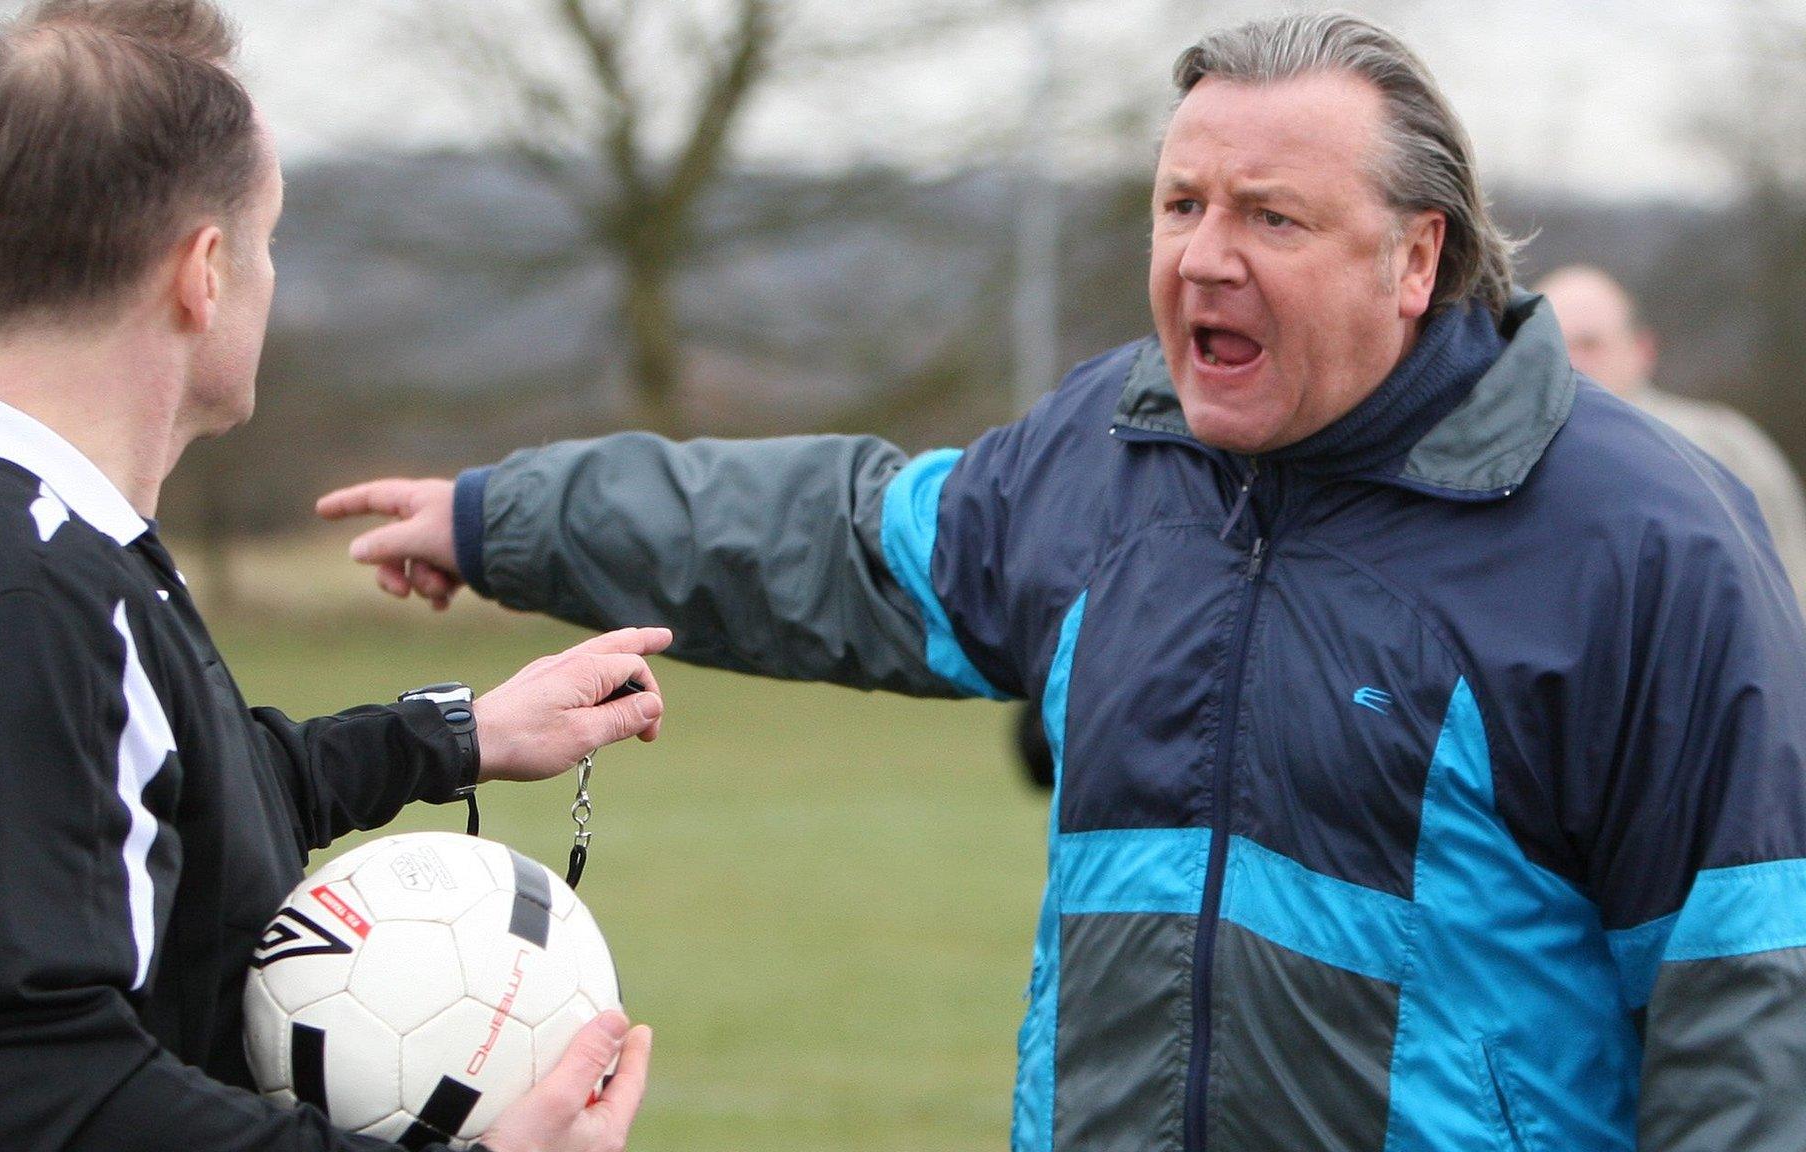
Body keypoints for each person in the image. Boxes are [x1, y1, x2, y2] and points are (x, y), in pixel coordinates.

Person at [321, 12, 1806, 1151]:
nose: (1204, 260)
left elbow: (1747, 996)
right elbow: (821, 535)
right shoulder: (1114, 457)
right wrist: (500, 517)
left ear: (1416, 257)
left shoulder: (1644, 542)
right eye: (1180, 208)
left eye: (1269, 219)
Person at [0, 4, 663, 1151]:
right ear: (205, 271)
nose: (270, 277)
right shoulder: (12, 591)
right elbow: (48, 1084)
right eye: (269, 240)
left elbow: (171, 808)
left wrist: (459, 737)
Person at [1539, 263, 1806, 607]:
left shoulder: (1721, 445)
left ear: (1642, 349)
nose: (1572, 362)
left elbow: (1790, 579)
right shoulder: (1500, 461)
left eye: (1589, 344)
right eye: (1554, 345)